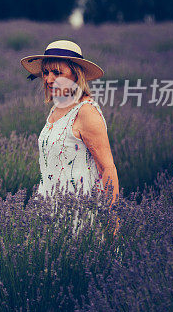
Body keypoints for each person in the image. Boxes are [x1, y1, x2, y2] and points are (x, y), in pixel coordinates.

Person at [20, 40, 119, 208]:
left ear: (76, 75)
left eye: (57, 73)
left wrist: (113, 220)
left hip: (78, 210)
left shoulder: (86, 112)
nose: (49, 79)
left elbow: (107, 168)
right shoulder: (57, 109)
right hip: (48, 208)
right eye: (46, 72)